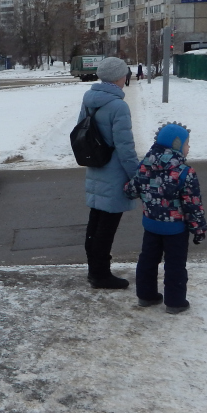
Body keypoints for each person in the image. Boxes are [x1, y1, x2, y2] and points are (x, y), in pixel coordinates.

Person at [124, 123, 207, 314]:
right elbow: (192, 205)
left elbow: (131, 190)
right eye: (187, 144)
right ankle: (175, 302)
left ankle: (146, 295)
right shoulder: (185, 173)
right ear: (177, 145)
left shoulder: (145, 165)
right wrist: (198, 229)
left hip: (151, 226)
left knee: (148, 260)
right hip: (175, 230)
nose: (188, 148)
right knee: (175, 265)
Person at [78, 57, 139, 289]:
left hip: (95, 166)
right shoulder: (118, 106)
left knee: (96, 222)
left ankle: (94, 270)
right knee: (107, 226)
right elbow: (126, 147)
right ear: (118, 77)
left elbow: (81, 130)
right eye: (125, 74)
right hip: (114, 173)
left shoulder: (89, 100)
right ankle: (101, 274)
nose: (126, 78)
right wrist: (136, 175)